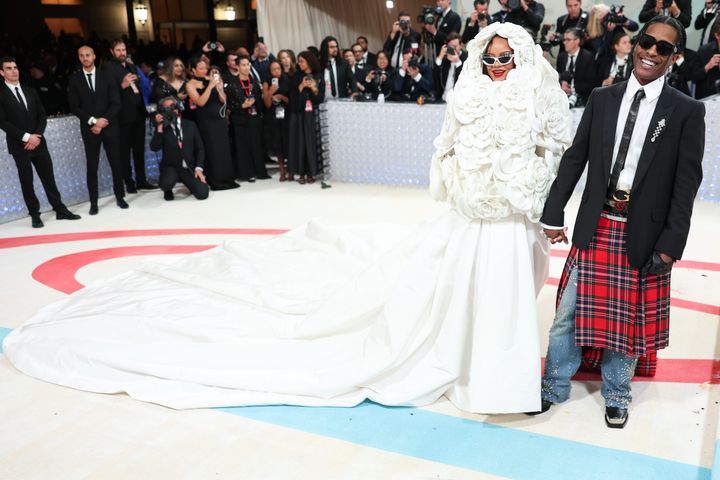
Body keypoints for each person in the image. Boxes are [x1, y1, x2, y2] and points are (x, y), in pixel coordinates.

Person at [2, 23, 572, 415]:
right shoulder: (467, 96)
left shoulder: (540, 96)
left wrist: (540, 207)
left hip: (516, 218)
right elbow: (447, 150)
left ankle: (505, 378)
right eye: (490, 58)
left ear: (522, 59)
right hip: (474, 220)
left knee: (509, 296)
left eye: (506, 59)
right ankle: (482, 374)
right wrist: (463, 183)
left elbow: (555, 154)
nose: (497, 66)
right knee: (469, 295)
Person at [535, 16, 705, 428]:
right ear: (633, 43)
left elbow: (687, 185)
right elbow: (576, 158)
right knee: (567, 315)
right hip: (597, 222)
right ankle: (553, 387)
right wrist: (553, 212)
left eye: (663, 48)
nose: (651, 52)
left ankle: (616, 394)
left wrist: (670, 244)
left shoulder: (686, 111)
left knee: (626, 324)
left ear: (674, 57)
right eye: (646, 42)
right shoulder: (602, 98)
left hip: (643, 232)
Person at [0, 56, 81, 228]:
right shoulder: (1, 94)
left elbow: (41, 115)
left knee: (48, 178)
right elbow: (3, 122)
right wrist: (26, 137)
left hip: (38, 142)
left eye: (15, 67)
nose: (13, 70)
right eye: (8, 68)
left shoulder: (30, 90)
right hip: (19, 145)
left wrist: (36, 135)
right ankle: (35, 214)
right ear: (2, 72)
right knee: (27, 181)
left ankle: (59, 209)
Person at [68, 45, 127, 214]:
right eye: (81, 55)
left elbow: (116, 102)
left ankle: (119, 196)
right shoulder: (74, 79)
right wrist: (94, 121)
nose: (85, 58)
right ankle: (94, 202)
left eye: (88, 55)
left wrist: (103, 122)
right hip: (89, 129)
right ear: (79, 58)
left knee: (116, 163)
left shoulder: (107, 76)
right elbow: (74, 106)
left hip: (109, 127)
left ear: (94, 56)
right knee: (92, 166)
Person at [103, 39, 158, 192]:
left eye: (124, 49)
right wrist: (122, 85)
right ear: (112, 52)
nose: (122, 53)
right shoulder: (108, 69)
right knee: (124, 152)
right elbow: (107, 93)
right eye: (119, 50)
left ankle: (141, 180)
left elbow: (140, 87)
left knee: (139, 150)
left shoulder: (131, 66)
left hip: (138, 113)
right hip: (122, 117)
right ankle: (129, 182)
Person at [185, 57, 239, 190]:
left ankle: (227, 178)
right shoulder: (190, 84)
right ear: (193, 70)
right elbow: (200, 102)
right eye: (201, 68)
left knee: (224, 148)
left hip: (219, 118)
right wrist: (210, 87)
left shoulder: (212, 80)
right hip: (206, 120)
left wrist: (220, 88)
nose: (204, 71)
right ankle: (215, 180)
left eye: (205, 68)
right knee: (212, 148)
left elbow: (223, 100)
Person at [149, 96, 209, 201]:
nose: (171, 111)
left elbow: (200, 149)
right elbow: (154, 148)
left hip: (188, 168)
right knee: (166, 184)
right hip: (171, 167)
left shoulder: (190, 125)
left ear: (178, 108)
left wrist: (199, 168)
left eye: (173, 107)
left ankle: (189, 183)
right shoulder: (162, 128)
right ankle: (168, 189)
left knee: (202, 193)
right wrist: (159, 128)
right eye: (166, 108)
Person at [226, 54, 269, 182]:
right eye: (243, 65)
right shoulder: (232, 83)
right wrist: (241, 105)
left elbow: (259, 102)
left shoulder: (254, 82)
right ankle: (247, 172)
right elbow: (229, 103)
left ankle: (260, 171)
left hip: (254, 116)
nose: (246, 67)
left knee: (256, 143)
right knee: (242, 145)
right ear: (237, 67)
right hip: (239, 118)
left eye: (248, 65)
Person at [287, 51, 324, 184]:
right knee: (299, 143)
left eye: (302, 61)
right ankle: (301, 173)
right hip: (298, 114)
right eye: (298, 61)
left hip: (311, 114)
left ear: (309, 61)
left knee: (311, 143)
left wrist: (314, 88)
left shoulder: (319, 76)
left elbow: (320, 98)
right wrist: (301, 86)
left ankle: (311, 173)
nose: (299, 63)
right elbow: (291, 97)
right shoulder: (296, 76)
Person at [263, 60, 291, 182]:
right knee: (278, 141)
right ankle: (282, 170)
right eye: (274, 69)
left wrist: (281, 97)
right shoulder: (266, 82)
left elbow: (292, 101)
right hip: (273, 115)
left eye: (278, 68)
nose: (277, 71)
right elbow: (267, 104)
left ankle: (290, 169)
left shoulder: (288, 79)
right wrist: (270, 92)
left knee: (288, 140)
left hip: (287, 113)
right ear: (270, 71)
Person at [556, 28, 598, 105]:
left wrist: (572, 88)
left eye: (568, 40)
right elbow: (557, 76)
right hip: (561, 97)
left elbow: (592, 83)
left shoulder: (588, 57)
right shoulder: (561, 57)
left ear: (577, 41)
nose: (564, 42)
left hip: (581, 98)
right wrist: (562, 83)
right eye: (564, 40)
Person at [690, 20, 720, 98]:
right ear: (717, 35)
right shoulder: (703, 51)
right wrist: (707, 66)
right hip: (705, 99)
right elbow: (693, 78)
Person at [434, 32, 467, 101]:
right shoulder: (445, 56)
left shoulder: (466, 58)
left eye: (455, 47)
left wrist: (458, 62)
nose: (453, 49)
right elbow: (435, 75)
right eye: (450, 47)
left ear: (460, 46)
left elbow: (465, 80)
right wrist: (440, 56)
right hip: (442, 97)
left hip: (459, 99)